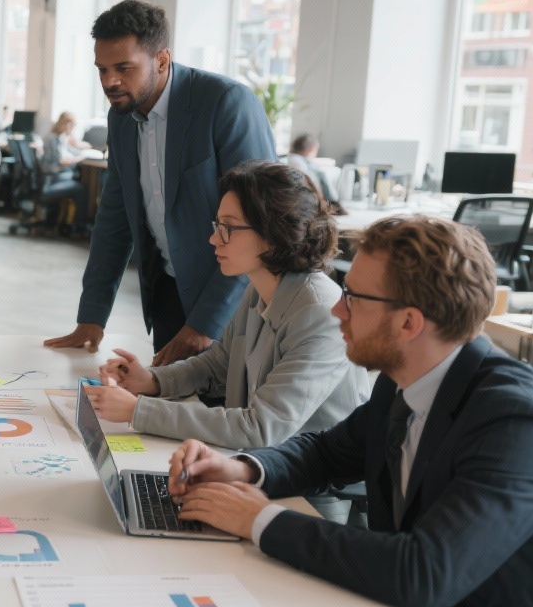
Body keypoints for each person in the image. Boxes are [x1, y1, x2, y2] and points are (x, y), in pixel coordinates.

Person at [169, 215, 533, 607]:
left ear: (409, 323)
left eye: (352, 296)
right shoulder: (405, 378)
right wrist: (242, 469)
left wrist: (260, 519)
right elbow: (326, 452)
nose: (337, 309)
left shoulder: (517, 423)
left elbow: (424, 573)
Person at [45, 0, 276, 364]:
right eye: (102, 69)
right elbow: (115, 218)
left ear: (162, 59)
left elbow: (262, 227)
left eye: (124, 68)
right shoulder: (121, 117)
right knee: (167, 412)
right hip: (167, 294)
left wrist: (203, 325)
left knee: (219, 416)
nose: (110, 81)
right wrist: (91, 316)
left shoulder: (225, 104)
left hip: (232, 305)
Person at [84, 161, 367, 449]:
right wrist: (152, 381)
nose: (213, 238)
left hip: (312, 489)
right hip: (262, 463)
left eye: (228, 228)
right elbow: (218, 365)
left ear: (273, 234)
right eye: (218, 225)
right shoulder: (259, 286)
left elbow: (259, 427)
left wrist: (137, 411)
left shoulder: (321, 313)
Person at [40, 111, 92, 232]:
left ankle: (73, 224)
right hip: (52, 180)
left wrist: (81, 149)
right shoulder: (54, 139)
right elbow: (62, 161)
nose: (73, 129)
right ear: (66, 124)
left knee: (78, 183)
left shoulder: (58, 138)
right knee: (81, 189)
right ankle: (79, 227)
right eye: (72, 126)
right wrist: (81, 158)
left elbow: (73, 150)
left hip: (53, 178)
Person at [284, 133, 338, 205]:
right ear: (311, 149)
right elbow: (330, 196)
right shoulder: (311, 166)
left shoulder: (279, 159)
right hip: (302, 204)